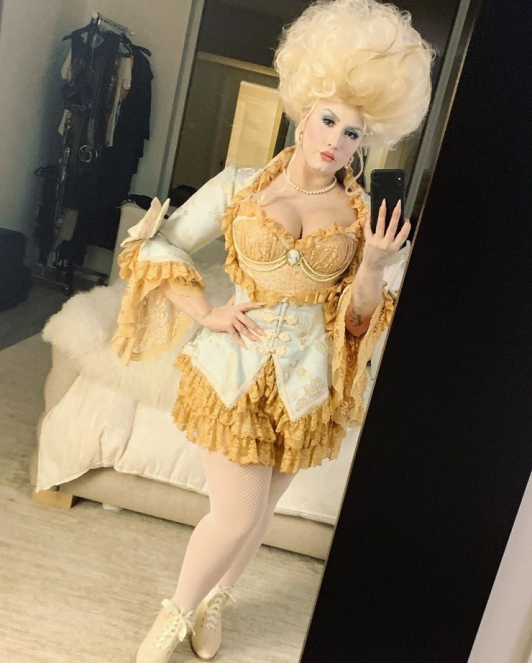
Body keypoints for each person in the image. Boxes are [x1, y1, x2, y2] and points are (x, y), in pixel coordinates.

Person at [112, 1, 433, 660]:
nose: (336, 141)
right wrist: (206, 312)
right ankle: (174, 616)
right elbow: (157, 244)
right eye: (329, 120)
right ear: (304, 109)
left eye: (353, 133)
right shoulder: (239, 187)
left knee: (259, 514)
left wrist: (375, 262)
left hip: (307, 387)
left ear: (366, 141)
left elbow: (359, 319)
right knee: (234, 513)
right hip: (232, 368)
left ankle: (216, 602)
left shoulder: (361, 215)